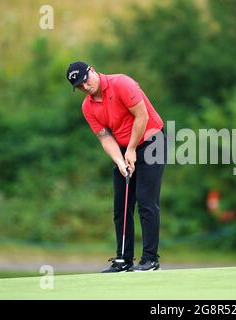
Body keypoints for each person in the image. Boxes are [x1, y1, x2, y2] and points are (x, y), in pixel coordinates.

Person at [66, 61, 166, 272]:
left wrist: (130, 150)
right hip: (123, 148)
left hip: (151, 141)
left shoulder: (121, 83)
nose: (85, 87)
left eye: (85, 81)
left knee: (146, 202)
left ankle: (150, 259)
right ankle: (124, 260)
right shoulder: (88, 106)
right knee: (121, 206)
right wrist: (120, 161)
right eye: (79, 87)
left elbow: (142, 116)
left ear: (92, 71)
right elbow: (105, 138)